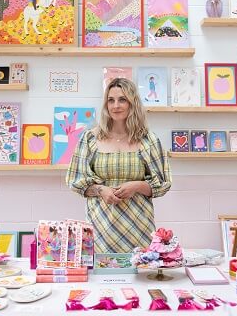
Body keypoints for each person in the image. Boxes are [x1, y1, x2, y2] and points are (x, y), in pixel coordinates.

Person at [66, 77, 171, 253]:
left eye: (122, 99)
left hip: (139, 227)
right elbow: (75, 182)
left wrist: (137, 186)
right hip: (101, 227)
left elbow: (162, 184)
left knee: (140, 275)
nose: (116, 106)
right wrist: (101, 190)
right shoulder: (90, 138)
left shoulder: (148, 140)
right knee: (101, 276)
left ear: (132, 103)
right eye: (111, 100)